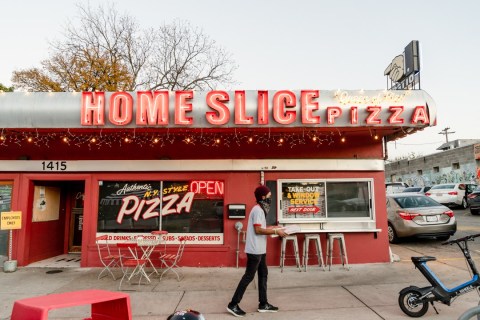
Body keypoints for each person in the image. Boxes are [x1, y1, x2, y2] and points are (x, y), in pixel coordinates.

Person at [227, 184, 287, 317]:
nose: (271, 199)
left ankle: (263, 304)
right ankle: (233, 304)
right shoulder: (258, 210)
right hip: (255, 250)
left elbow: (261, 227)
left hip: (260, 249)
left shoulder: (259, 209)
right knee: (249, 276)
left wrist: (274, 227)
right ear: (263, 197)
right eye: (270, 196)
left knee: (263, 274)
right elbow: (258, 230)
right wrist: (276, 231)